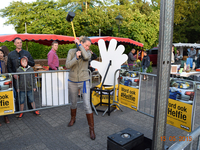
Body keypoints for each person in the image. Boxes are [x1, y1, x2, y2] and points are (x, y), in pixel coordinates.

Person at [65, 36, 95, 140]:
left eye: (88, 46)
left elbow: (86, 58)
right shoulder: (71, 51)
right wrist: (76, 58)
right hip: (72, 81)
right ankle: (73, 118)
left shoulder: (88, 53)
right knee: (73, 102)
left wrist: (80, 45)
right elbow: (67, 65)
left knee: (87, 104)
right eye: (86, 45)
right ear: (82, 42)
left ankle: (91, 129)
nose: (87, 47)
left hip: (84, 81)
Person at [7, 37, 35, 112]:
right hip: (17, 79)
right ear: (14, 44)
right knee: (18, 94)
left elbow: (33, 63)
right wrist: (13, 75)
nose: (20, 44)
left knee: (29, 93)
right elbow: (9, 67)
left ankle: (31, 109)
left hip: (27, 78)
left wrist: (27, 61)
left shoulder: (27, 53)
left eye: (21, 42)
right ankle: (19, 111)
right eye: (18, 43)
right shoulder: (10, 54)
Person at [0, 48, 10, 125]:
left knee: (4, 99)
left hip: (3, 82)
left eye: (2, 53)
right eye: (0, 53)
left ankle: (5, 116)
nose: (1, 55)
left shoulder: (3, 63)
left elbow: (6, 72)